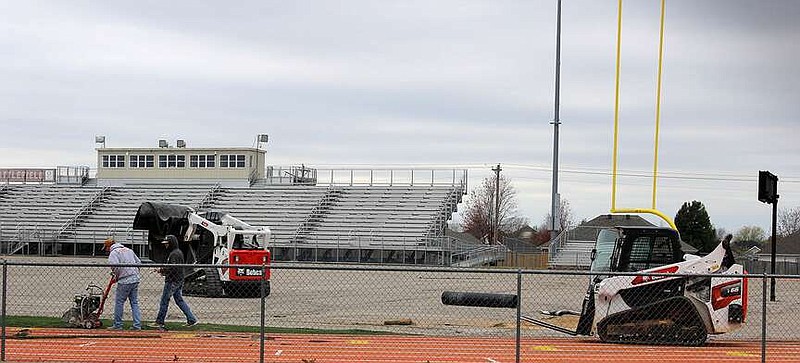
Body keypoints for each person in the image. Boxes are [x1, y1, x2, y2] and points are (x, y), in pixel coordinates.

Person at [149, 234, 198, 330]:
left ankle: (160, 322)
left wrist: (161, 270)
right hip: (178, 280)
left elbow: (172, 268)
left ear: (171, 243)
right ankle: (191, 319)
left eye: (167, 243)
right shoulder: (177, 252)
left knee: (164, 301)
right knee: (179, 300)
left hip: (172, 281)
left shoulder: (174, 254)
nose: (165, 245)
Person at [104, 238, 142, 330]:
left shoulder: (114, 253)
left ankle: (118, 324)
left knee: (119, 302)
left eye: (106, 248)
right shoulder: (129, 250)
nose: (106, 250)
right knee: (134, 302)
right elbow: (139, 262)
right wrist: (135, 273)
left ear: (109, 246)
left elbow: (115, 266)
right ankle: (137, 325)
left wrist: (116, 276)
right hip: (135, 278)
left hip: (124, 280)